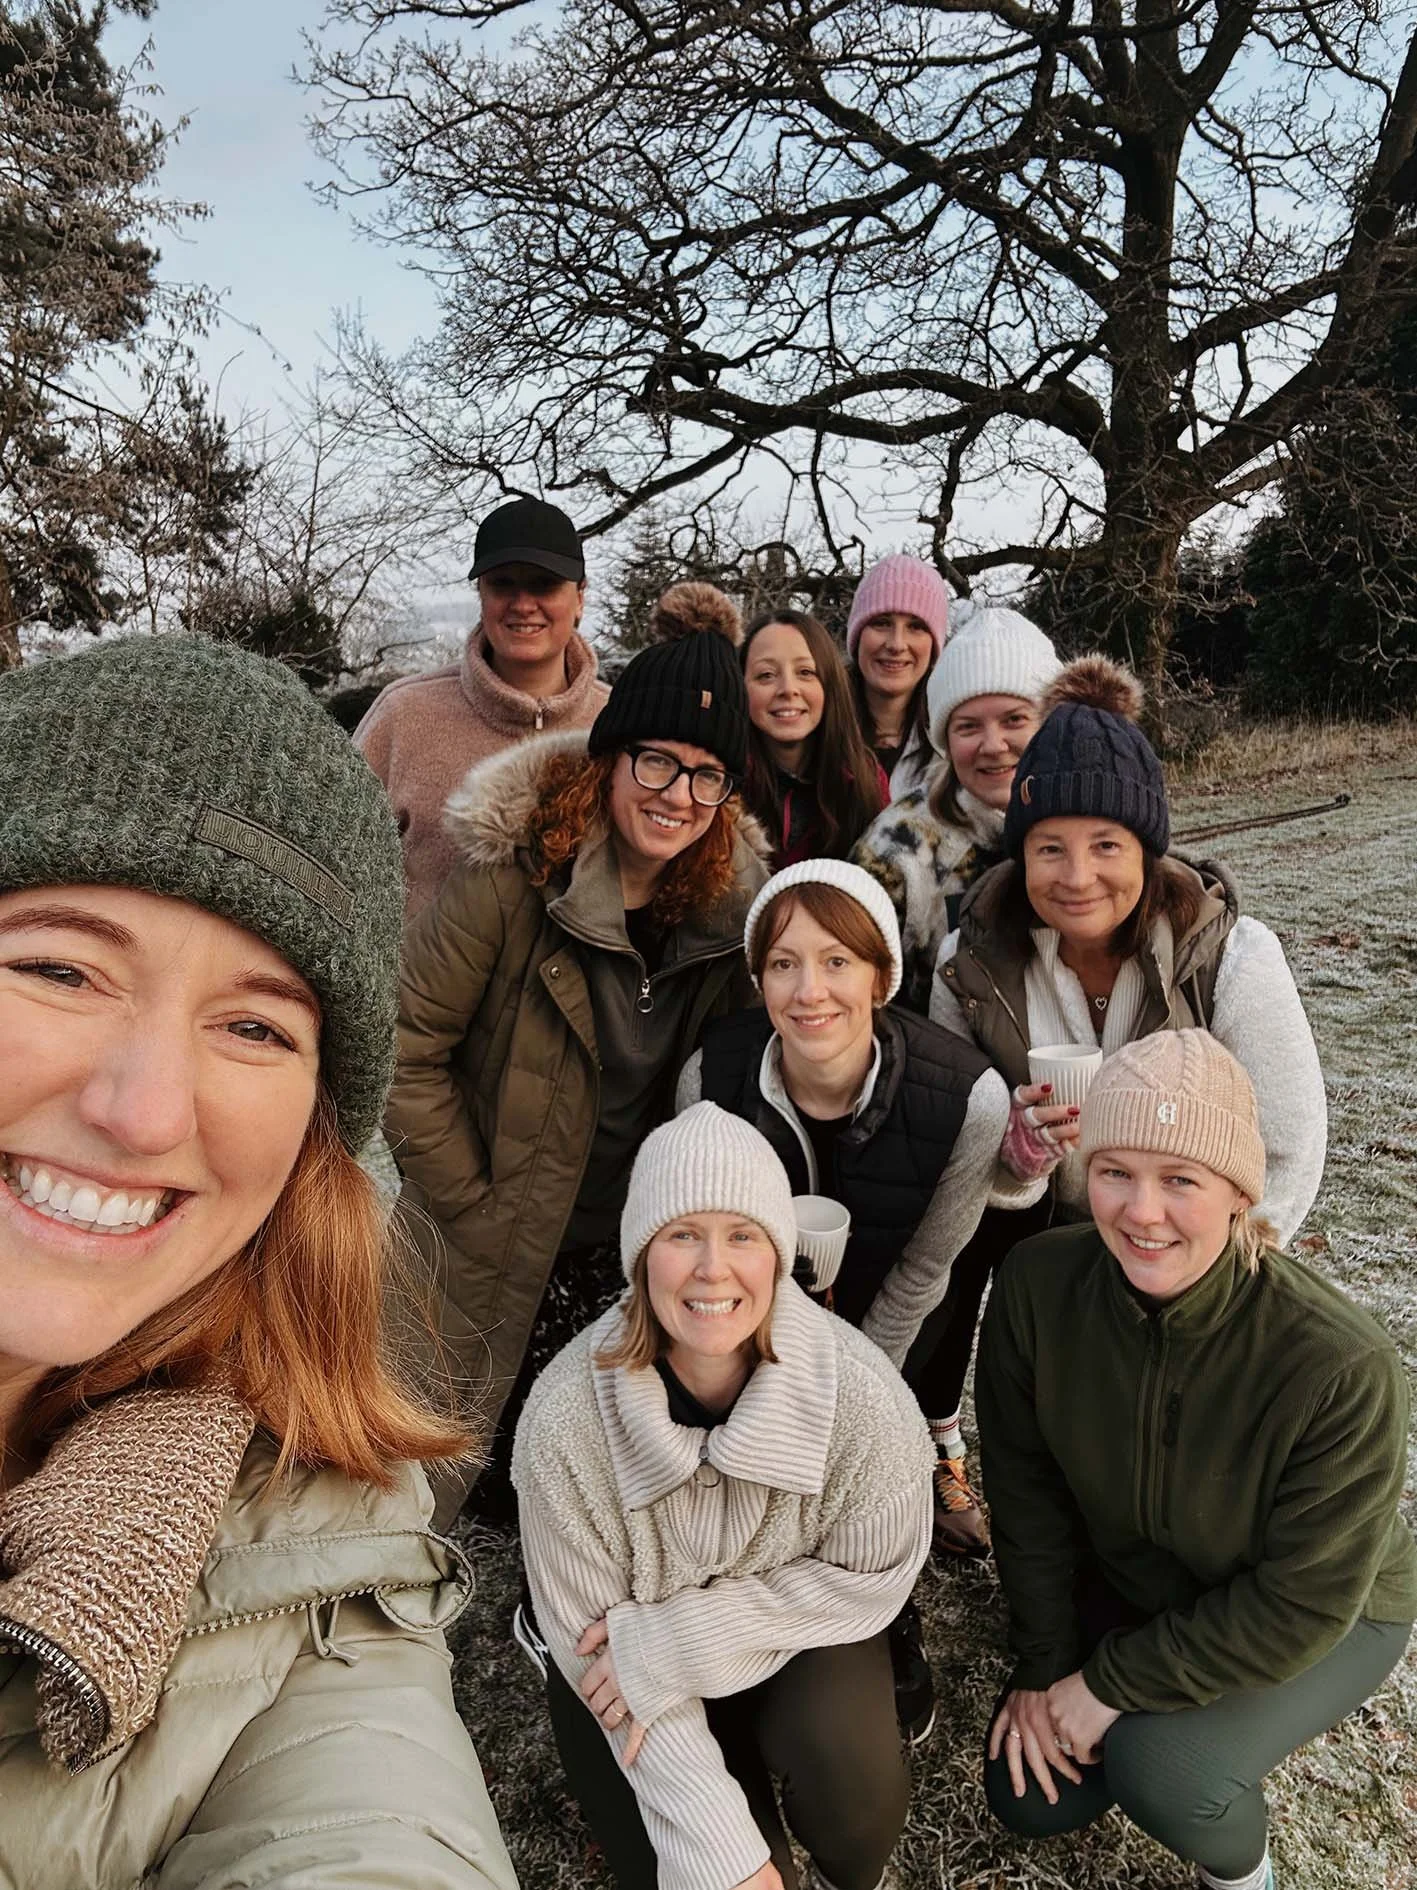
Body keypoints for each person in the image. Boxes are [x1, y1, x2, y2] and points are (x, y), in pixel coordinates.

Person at [0, 637, 518, 1889]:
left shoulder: (315, 1541)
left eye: (253, 1025)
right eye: (59, 968)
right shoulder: (424, 733)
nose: (144, 1109)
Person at [978, 1031, 1416, 1890]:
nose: (1141, 1212)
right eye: (1115, 1172)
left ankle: (1244, 1879)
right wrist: (1041, 1667)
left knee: (1164, 1771)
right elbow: (1024, 1493)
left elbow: (1301, 1598)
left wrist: (1104, 1684)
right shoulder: (1035, 1285)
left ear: (1235, 1193)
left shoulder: (1336, 1363)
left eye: (1179, 1179)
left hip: (1326, 1606)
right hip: (1139, 1574)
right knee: (1031, 1798)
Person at [921, 655, 1328, 1555]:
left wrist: (1205, 1267)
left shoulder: (1229, 953)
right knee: (948, 1239)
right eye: (1048, 847)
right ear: (1017, 849)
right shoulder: (973, 958)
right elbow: (952, 1137)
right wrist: (1014, 1152)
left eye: (1106, 845)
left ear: (1147, 850)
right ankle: (939, 1440)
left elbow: (1290, 1143)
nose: (1076, 876)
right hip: (1040, 1212)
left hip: (1186, 1219)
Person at [386, 583, 768, 1525]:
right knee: (445, 1463)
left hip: (625, 1227)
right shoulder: (513, 879)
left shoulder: (728, 915)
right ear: (609, 758)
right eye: (655, 762)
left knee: (587, 1473)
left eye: (705, 775)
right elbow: (405, 1048)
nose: (677, 795)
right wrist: (466, 1193)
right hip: (498, 1210)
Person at [513, 1102, 934, 1890]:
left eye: (742, 1235)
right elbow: (590, 1638)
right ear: (641, 1258)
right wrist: (730, 1858)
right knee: (697, 1870)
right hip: (612, 1660)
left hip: (791, 1631)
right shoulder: (563, 1421)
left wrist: (688, 1640)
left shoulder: (864, 1399)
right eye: (682, 1235)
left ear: (778, 1256)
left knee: (859, 1810)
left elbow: (877, 1571)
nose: (713, 1268)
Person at [675, 857, 1017, 1725]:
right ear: (758, 978)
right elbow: (692, 1247)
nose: (808, 989)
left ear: (878, 974)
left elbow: (927, 1268)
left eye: (836, 961)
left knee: (878, 1444)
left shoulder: (967, 1098)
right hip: (746, 1319)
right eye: (782, 963)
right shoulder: (710, 1080)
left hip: (891, 1316)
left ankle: (885, 1606)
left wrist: (848, 1386)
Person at [356, 495, 608, 916]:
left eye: (544, 584)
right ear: (480, 593)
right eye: (503, 583)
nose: (523, 604)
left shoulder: (617, 724)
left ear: (580, 597)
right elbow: (333, 861)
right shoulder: (405, 715)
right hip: (418, 981)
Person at [853, 603, 1062, 1013]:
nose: (993, 744)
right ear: (944, 740)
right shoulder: (897, 850)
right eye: (968, 726)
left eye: (1014, 720)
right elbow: (866, 1004)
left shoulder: (1095, 818)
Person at [739, 608, 887, 871]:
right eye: (766, 675)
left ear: (829, 683)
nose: (788, 689)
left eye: (806, 672)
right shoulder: (721, 787)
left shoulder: (865, 780)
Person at [845, 554, 950, 799]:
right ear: (857, 636)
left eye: (916, 627)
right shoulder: (814, 730)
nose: (897, 644)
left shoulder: (954, 743)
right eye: (881, 623)